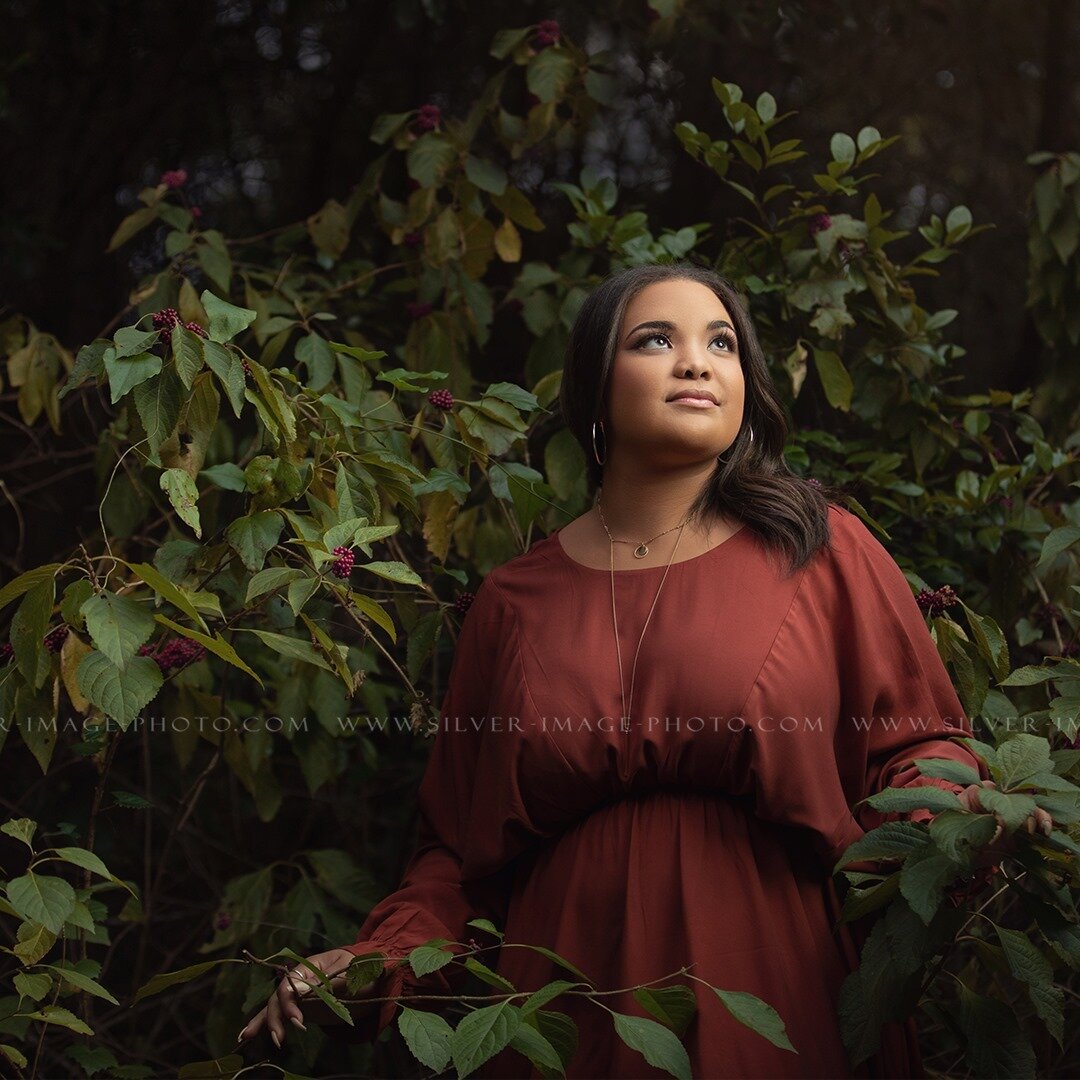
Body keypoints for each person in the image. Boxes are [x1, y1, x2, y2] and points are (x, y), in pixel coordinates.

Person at [237, 263, 1052, 1077]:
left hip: (774, 983)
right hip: (552, 1009)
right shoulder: (513, 600)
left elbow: (916, 748)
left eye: (721, 343)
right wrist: (374, 964)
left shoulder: (822, 549)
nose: (696, 361)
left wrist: (964, 815)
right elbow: (457, 852)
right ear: (596, 385)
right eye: (655, 339)